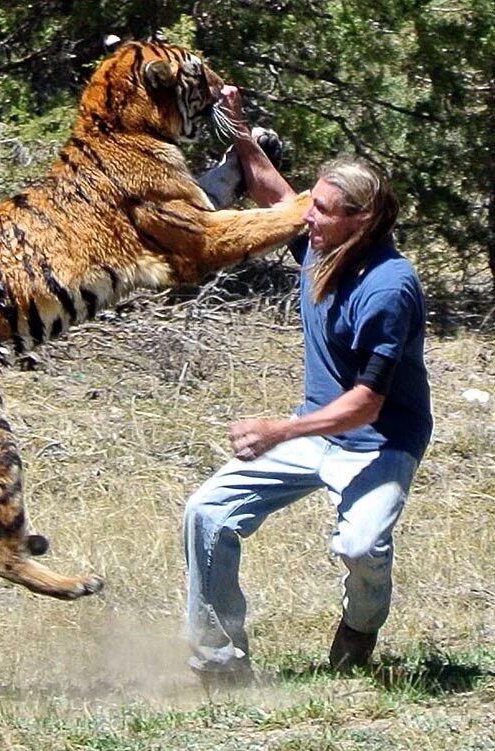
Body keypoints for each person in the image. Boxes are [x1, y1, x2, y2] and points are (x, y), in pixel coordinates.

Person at [183, 85, 433, 685]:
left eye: (321, 209)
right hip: (317, 430)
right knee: (206, 512)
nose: (305, 216)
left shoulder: (388, 287)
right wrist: (240, 132)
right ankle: (221, 666)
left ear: (362, 220)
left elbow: (366, 404)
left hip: (377, 440)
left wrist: (279, 430)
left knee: (359, 549)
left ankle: (360, 628)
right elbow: (274, 192)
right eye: (311, 204)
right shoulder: (321, 242)